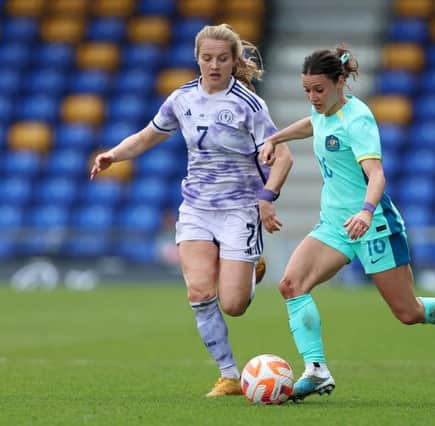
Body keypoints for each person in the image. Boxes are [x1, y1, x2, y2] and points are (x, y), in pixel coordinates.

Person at [259, 46, 435, 402]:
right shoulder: (324, 112)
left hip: (373, 225)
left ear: (339, 82)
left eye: (319, 90)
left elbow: (377, 176)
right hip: (334, 224)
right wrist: (276, 137)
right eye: (306, 90)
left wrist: (366, 212)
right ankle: (316, 370)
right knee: (291, 284)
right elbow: (313, 124)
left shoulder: (357, 120)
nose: (312, 97)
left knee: (408, 312)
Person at [90, 24, 293, 397]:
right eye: (207, 58)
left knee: (233, 305)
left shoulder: (249, 104)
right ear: (197, 58)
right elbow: (148, 135)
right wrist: (113, 155)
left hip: (240, 209)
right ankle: (229, 376)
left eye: (222, 59)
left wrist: (267, 196)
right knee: (199, 291)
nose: (214, 65)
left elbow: (284, 155)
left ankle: (250, 270)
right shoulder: (181, 99)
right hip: (197, 208)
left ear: (234, 61)